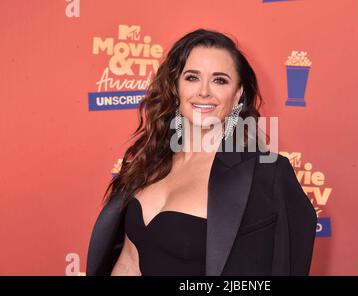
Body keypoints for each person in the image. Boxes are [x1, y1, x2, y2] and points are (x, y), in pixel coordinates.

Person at [86, 28, 317, 276]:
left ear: (238, 94)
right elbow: (130, 263)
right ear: (175, 88)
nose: (204, 91)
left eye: (219, 80)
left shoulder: (265, 175)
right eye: (192, 77)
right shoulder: (146, 164)